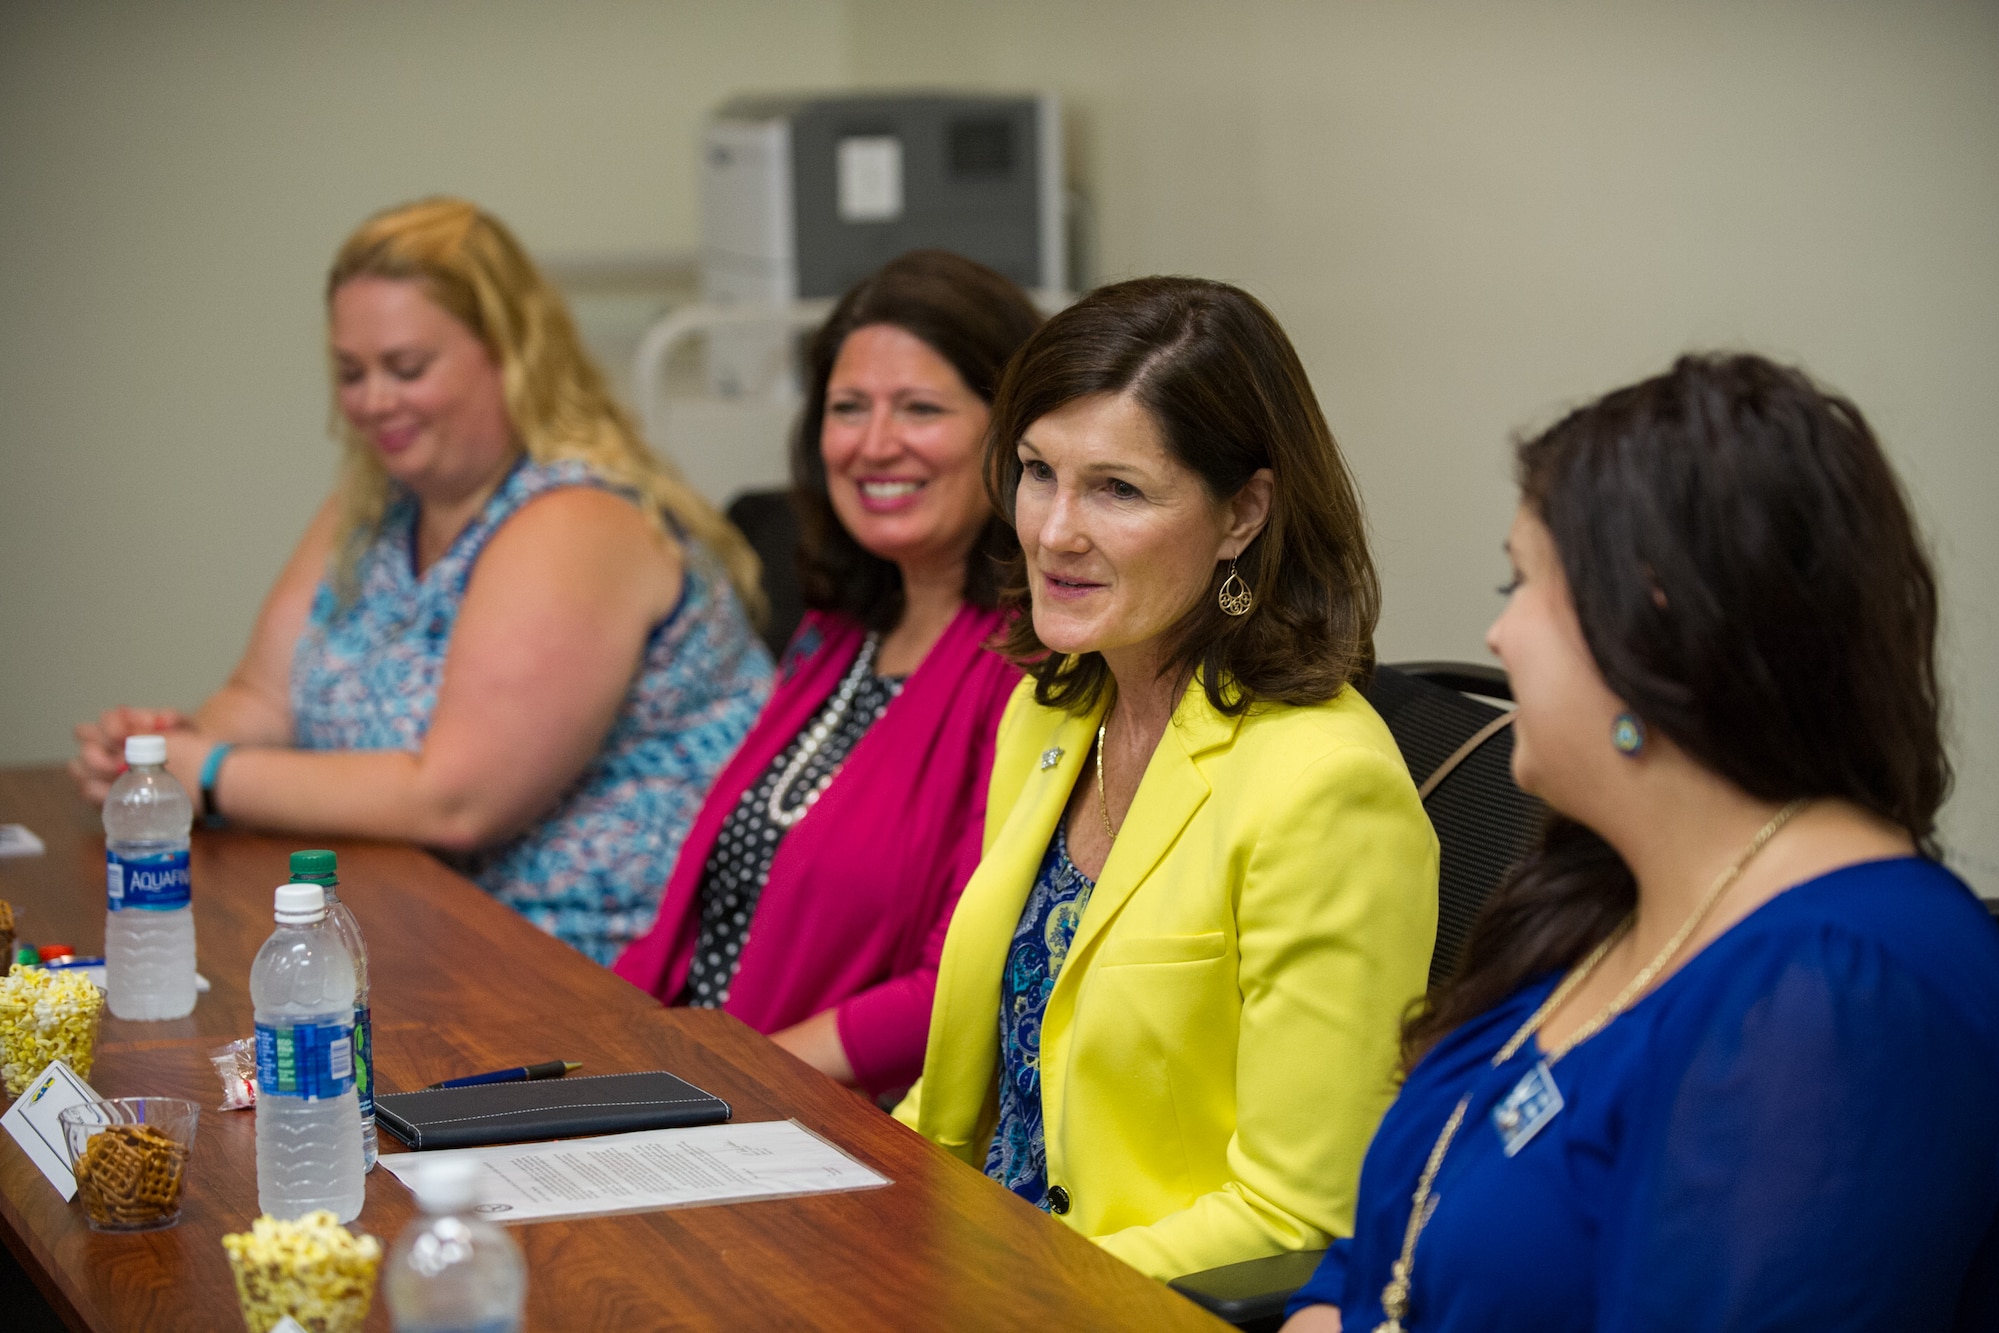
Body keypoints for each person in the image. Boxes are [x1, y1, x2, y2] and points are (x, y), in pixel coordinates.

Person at [1284, 354, 1999, 1333]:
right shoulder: (1607, 893)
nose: (1495, 635)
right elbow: (1383, 1249)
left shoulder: (1841, 987)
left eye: (1520, 580)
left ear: (1649, 618)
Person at [893, 276, 1440, 1280]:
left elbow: (1294, 1212)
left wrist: (1010, 1296)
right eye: (1035, 472)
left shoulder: (1324, 786)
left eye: (1116, 489)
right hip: (967, 1268)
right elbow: (959, 1104)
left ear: (1242, 513)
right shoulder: (1049, 711)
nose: (1054, 531)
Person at [70, 198, 772, 965]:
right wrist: (156, 761)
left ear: (510, 353)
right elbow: (264, 698)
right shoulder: (374, 506)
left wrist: (206, 772)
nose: (374, 400)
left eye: (407, 368)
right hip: (412, 926)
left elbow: (455, 800)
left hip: (583, 966)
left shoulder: (577, 519)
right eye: (351, 372)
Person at [613, 251, 1041, 1095]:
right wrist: (605, 1052)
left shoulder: (1029, 662)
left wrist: (711, 1077)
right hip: (698, 1079)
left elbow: (955, 980)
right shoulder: (837, 630)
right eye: (848, 408)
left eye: (920, 407)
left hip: (821, 1122)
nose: (874, 444)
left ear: (1014, 432)